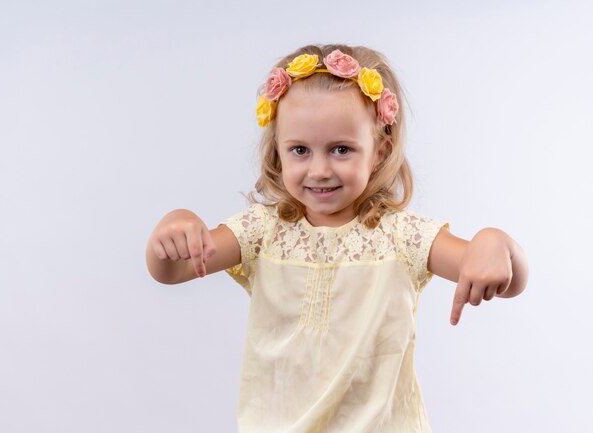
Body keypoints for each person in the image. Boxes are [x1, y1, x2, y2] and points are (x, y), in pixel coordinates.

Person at [145, 43, 529, 432]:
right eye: (300, 150)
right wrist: (177, 226)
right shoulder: (263, 231)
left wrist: (494, 243)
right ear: (279, 153)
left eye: (341, 149)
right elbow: (172, 270)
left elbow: (504, 278)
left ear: (380, 151)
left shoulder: (401, 236)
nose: (320, 169)